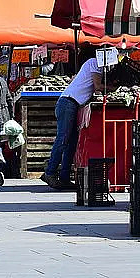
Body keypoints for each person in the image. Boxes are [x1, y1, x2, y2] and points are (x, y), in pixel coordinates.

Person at [43, 45, 102, 190]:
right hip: (68, 103)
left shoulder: (92, 64)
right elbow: (98, 86)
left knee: (71, 143)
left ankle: (64, 178)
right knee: (63, 139)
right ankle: (50, 172)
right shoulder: (94, 62)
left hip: (72, 105)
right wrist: (116, 87)